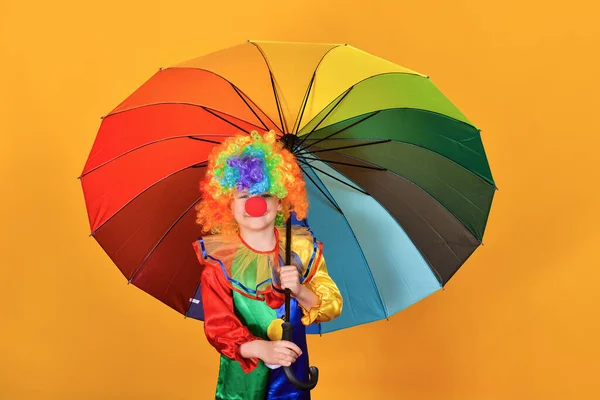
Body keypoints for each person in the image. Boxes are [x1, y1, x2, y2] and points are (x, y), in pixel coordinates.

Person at [192, 130, 343, 400]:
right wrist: (260, 349)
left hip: (293, 380)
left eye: (265, 193)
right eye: (243, 195)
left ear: (281, 200)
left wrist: (300, 290)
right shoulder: (220, 264)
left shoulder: (302, 251)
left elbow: (332, 304)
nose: (255, 204)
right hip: (243, 384)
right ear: (227, 204)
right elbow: (218, 328)